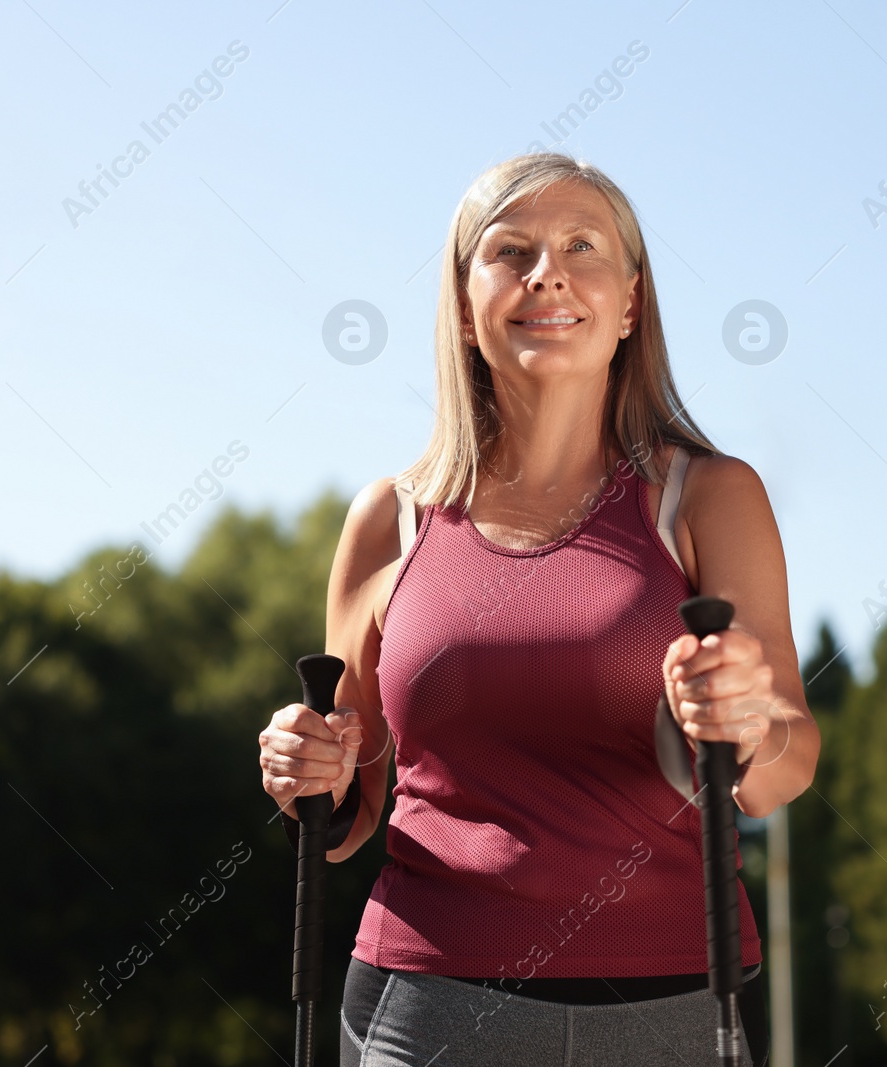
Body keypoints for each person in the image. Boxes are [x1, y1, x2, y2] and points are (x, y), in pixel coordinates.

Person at [259, 152, 819, 1067]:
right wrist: (304, 767)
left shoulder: (711, 499)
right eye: (510, 250)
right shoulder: (387, 521)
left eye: (582, 246)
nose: (546, 272)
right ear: (464, 301)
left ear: (631, 303)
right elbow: (349, 807)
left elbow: (783, 769)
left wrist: (751, 721)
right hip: (426, 1009)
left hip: (668, 1008)